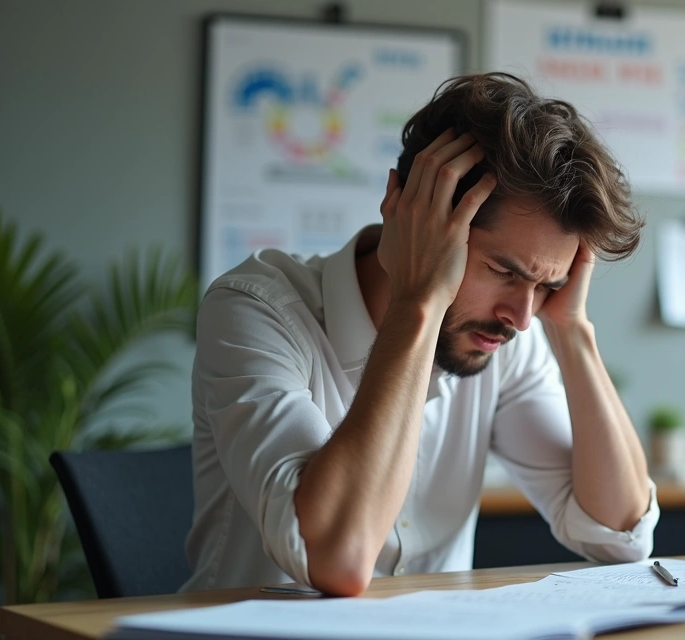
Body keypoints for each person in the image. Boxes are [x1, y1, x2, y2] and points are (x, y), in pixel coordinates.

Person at [182, 73, 658, 596]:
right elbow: (337, 559)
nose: (522, 317)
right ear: (414, 220)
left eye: (548, 284)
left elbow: (620, 536)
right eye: (504, 271)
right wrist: (419, 302)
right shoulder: (258, 310)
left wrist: (572, 330)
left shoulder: (504, 335)